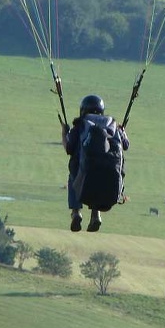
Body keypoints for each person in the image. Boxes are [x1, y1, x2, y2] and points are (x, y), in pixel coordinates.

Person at [61, 94, 129, 232]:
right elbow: (126, 145)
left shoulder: (80, 124)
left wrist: (64, 132)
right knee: (99, 178)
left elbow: (69, 148)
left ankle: (76, 212)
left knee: (74, 173)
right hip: (111, 178)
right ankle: (96, 214)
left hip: (85, 176)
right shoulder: (113, 124)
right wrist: (123, 131)